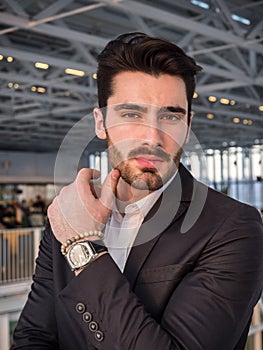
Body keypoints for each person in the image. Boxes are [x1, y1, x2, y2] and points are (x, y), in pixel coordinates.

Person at [11, 32, 263, 350]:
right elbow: (33, 337)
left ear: (187, 126)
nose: (152, 137)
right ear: (100, 123)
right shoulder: (68, 213)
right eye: (132, 114)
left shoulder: (232, 227)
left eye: (171, 115)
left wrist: (84, 249)